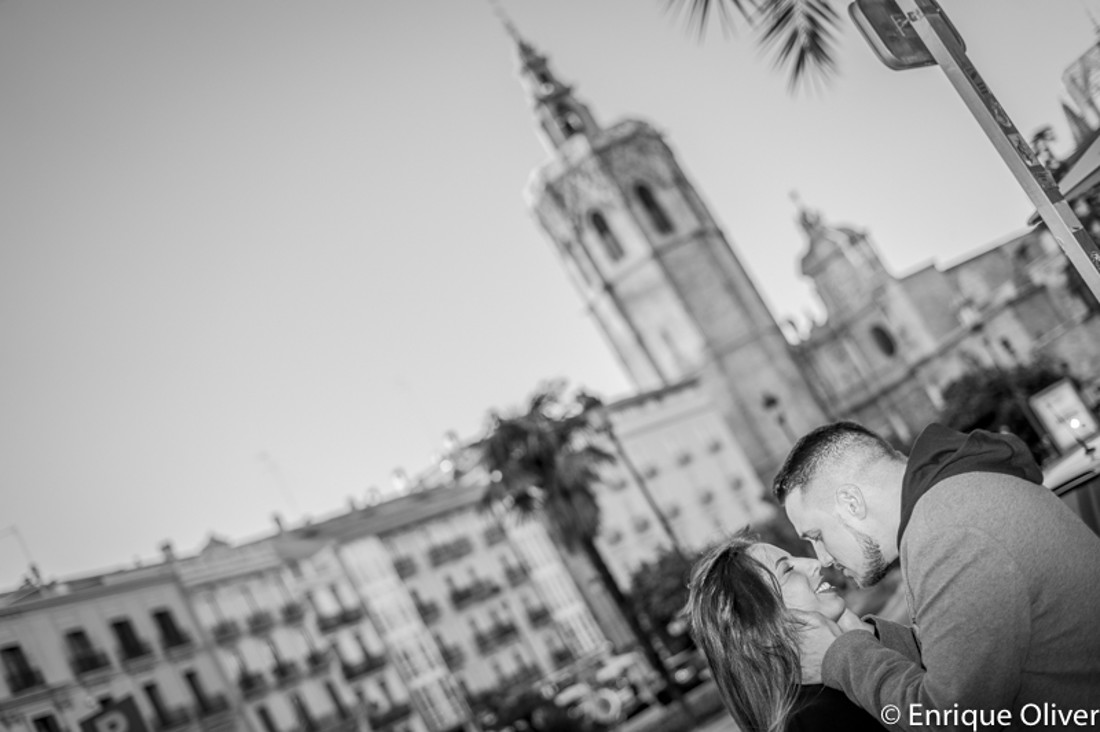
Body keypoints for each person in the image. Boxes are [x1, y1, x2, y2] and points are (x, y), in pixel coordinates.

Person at [775, 421, 1100, 728]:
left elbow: (949, 720)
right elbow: (975, 651)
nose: (823, 558)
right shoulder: (956, 502)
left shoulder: (948, 535)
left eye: (816, 536)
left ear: (850, 502)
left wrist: (844, 658)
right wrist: (867, 637)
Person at [687, 534, 913, 732]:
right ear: (758, 626)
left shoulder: (835, 691)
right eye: (787, 569)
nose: (814, 563)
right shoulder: (813, 720)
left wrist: (866, 637)